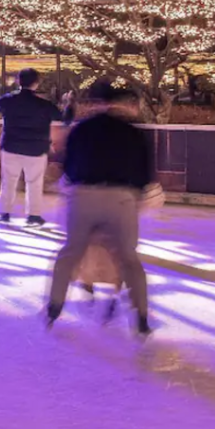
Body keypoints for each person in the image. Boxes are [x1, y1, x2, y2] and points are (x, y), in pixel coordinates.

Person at [45, 81, 154, 337]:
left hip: (84, 195)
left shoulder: (82, 129)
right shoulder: (135, 133)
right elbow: (144, 173)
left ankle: (55, 304)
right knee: (129, 258)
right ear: (128, 104)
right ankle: (141, 315)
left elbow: (68, 166)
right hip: (122, 197)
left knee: (70, 252)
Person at [0, 67, 61, 226]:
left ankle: (5, 212)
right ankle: (33, 215)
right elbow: (62, 116)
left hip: (11, 146)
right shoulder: (44, 105)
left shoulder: (7, 100)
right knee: (34, 182)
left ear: (18, 81)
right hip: (36, 149)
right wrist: (69, 104)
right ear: (36, 83)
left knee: (9, 180)